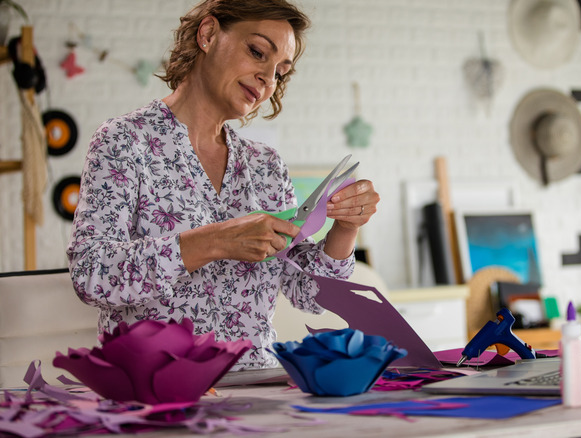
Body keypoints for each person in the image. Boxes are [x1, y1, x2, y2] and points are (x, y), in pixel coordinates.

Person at [66, 0, 379, 369]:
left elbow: (310, 293)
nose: (268, 79)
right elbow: (92, 274)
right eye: (257, 52)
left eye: (281, 71)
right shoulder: (124, 141)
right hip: (156, 388)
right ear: (209, 34)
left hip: (257, 390)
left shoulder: (266, 165)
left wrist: (346, 227)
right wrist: (214, 240)